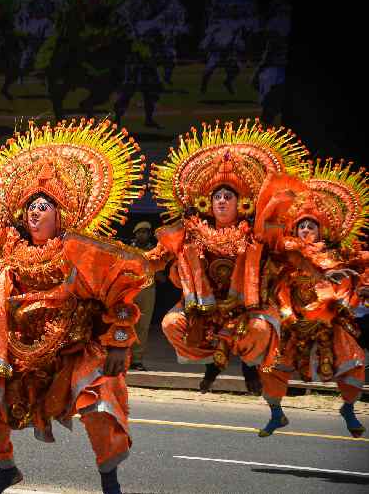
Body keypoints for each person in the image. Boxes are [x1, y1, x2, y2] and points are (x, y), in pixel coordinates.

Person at [0, 119, 148, 494]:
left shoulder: (79, 252)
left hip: (71, 348)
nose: (34, 212)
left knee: (99, 402)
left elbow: (122, 293)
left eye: (43, 205)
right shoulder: (7, 254)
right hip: (16, 350)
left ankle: (109, 483)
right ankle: (6, 469)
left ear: (61, 214)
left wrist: (117, 342)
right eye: (30, 205)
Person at [147, 120, 309, 394]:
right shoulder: (192, 233)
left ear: (241, 202)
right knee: (171, 324)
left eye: (227, 196)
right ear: (207, 203)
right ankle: (211, 359)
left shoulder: (255, 233)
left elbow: (285, 250)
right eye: (217, 196)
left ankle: (251, 366)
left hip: (248, 306)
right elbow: (157, 258)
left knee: (258, 329)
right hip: (203, 308)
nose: (221, 201)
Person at [254, 161, 367, 437]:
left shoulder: (335, 258)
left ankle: (349, 410)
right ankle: (277, 414)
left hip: (329, 324)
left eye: (311, 226)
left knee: (353, 363)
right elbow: (278, 287)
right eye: (301, 226)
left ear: (320, 231)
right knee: (270, 367)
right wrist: (286, 312)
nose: (306, 230)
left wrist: (338, 302)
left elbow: (345, 284)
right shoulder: (288, 258)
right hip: (294, 324)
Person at [129, 221, 158, 371]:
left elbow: (160, 273)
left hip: (147, 290)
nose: (142, 234)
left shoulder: (155, 250)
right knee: (126, 322)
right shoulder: (128, 250)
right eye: (140, 232)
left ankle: (137, 360)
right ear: (135, 234)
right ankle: (123, 357)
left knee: (143, 325)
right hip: (129, 289)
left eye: (145, 232)